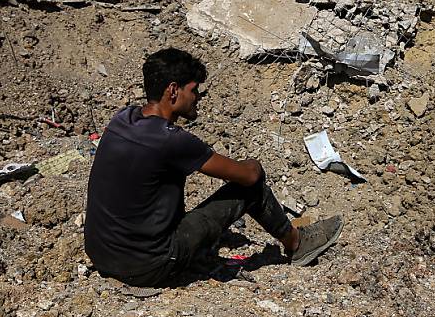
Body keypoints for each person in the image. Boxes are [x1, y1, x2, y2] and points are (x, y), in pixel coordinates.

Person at [84, 48, 343, 287]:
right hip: (149, 266)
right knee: (252, 189)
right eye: (193, 90)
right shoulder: (171, 139)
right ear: (173, 91)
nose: (198, 97)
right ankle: (297, 243)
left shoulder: (122, 119)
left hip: (101, 254)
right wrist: (255, 164)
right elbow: (248, 176)